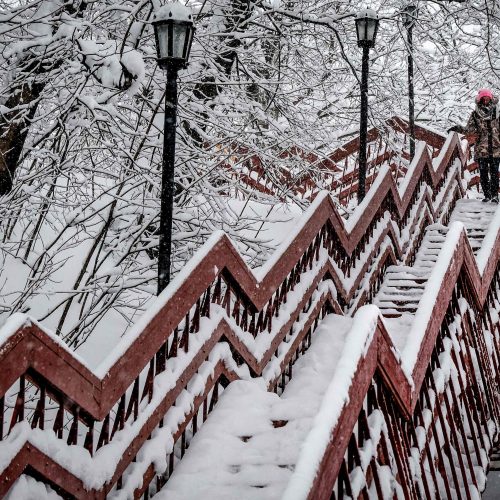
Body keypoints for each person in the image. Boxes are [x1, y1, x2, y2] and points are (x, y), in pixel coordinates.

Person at [449, 89, 500, 203]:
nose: (486, 100)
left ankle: (495, 195)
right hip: (482, 149)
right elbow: (470, 130)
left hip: (496, 149)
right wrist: (458, 128)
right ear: (480, 100)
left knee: (494, 173)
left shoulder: (497, 113)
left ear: (491, 99)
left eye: (488, 98)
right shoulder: (475, 115)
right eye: (484, 98)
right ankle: (487, 195)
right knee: (483, 173)